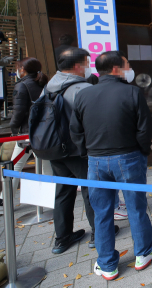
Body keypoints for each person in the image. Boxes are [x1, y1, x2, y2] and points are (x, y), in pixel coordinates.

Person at [70, 51, 152, 280]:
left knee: (102, 213)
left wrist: (87, 153)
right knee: (136, 208)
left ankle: (107, 264)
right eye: (127, 65)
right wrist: (142, 151)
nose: (130, 69)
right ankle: (143, 254)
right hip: (129, 157)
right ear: (116, 69)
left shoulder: (83, 95)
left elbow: (75, 130)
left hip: (95, 161)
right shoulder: (132, 92)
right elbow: (144, 127)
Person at [46, 48, 120, 254]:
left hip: (54, 148)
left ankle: (62, 238)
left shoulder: (49, 85)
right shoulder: (81, 89)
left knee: (63, 191)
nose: (88, 66)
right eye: (87, 62)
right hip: (76, 149)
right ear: (79, 65)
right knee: (91, 190)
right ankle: (99, 233)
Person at [1, 58, 51, 207]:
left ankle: (5, 199)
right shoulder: (43, 84)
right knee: (46, 167)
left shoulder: (21, 86)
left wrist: (13, 129)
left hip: (26, 133)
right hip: (43, 132)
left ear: (23, 69)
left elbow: (18, 112)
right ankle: (49, 199)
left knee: (14, 166)